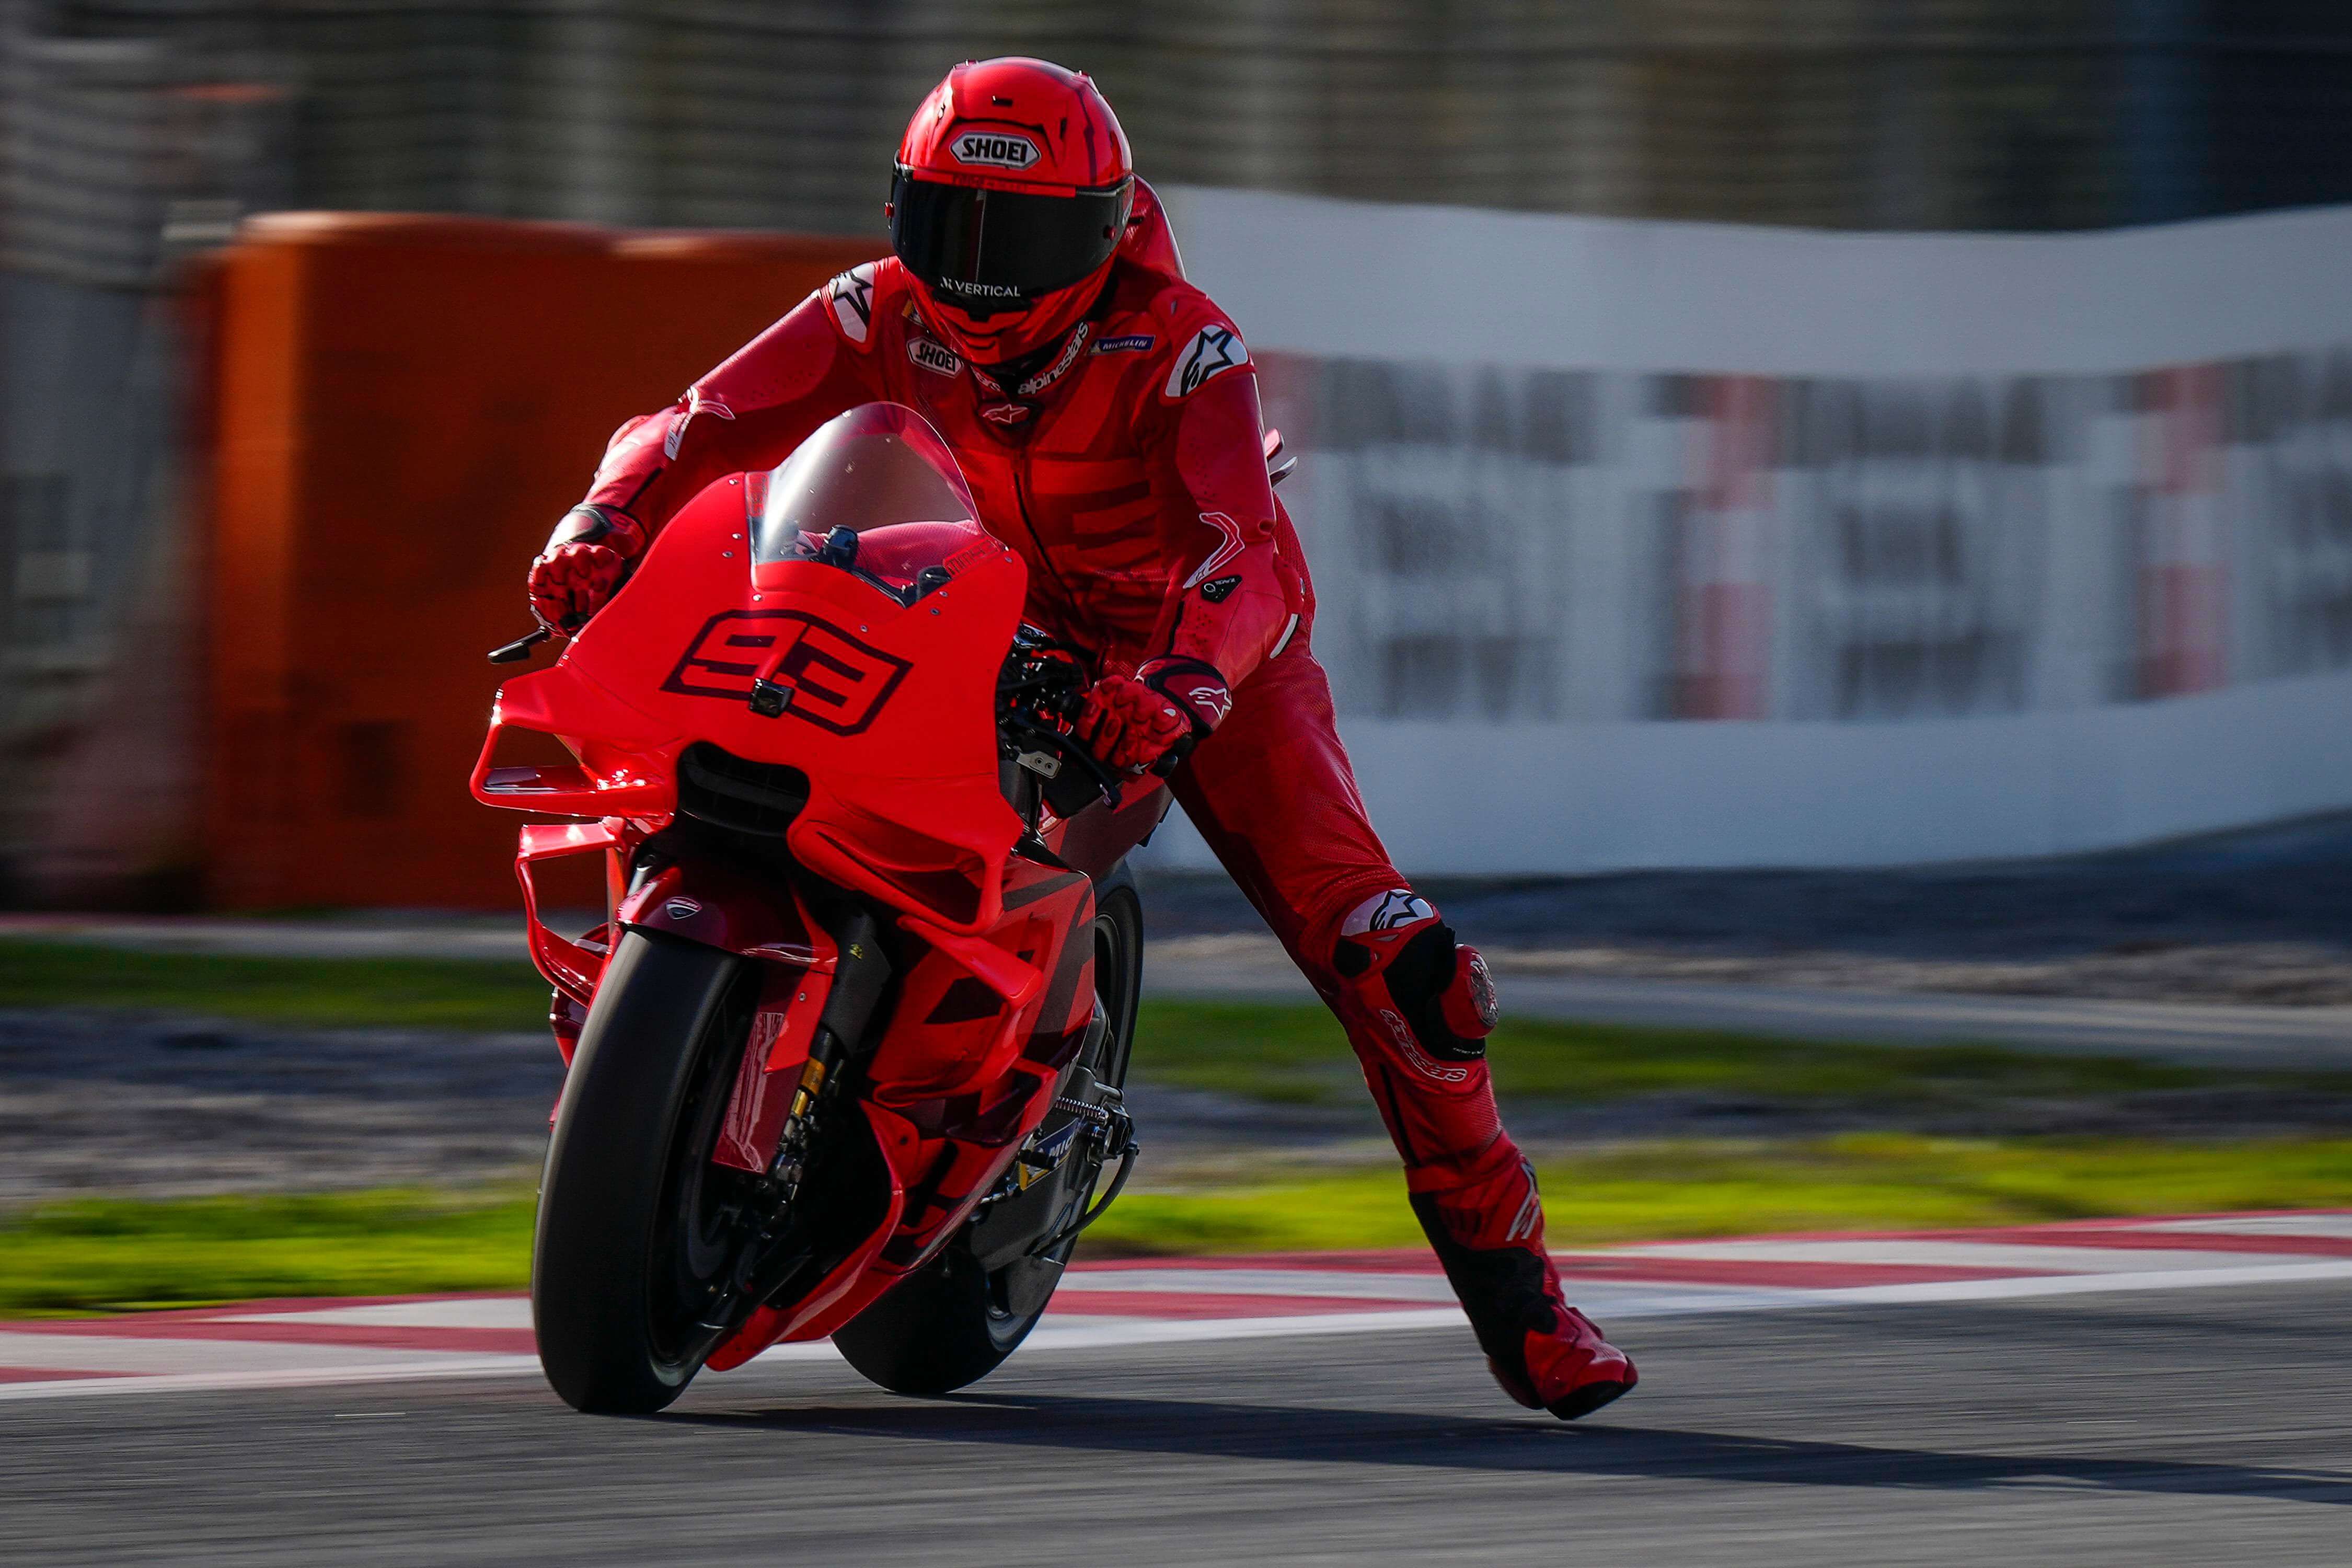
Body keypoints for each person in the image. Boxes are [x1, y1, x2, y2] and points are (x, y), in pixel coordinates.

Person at [526, 56, 1636, 1420]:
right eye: (951, 230)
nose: (983, 281)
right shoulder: (877, 309)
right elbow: (700, 421)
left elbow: (1242, 549)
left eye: (1027, 240)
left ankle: (1524, 1308)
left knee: (1398, 967)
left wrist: (1182, 680)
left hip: (1200, 659)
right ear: (900, 214)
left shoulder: (1183, 345)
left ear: (1106, 230)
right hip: (969, 610)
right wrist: (606, 517)